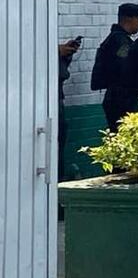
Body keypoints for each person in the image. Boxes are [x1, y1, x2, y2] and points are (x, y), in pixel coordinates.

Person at [91, 3, 138, 132]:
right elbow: (125, 68)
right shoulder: (121, 42)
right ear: (129, 19)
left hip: (115, 97)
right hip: (122, 99)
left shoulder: (114, 39)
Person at [58, 37, 81, 181]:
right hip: (51, 100)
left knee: (58, 144)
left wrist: (63, 53)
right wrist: (57, 52)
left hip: (56, 98)